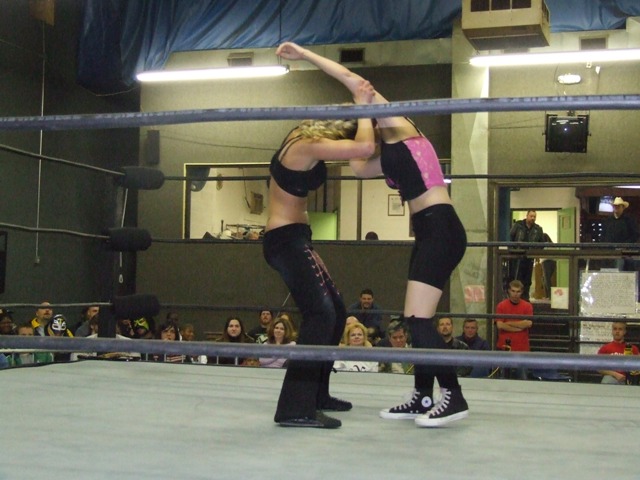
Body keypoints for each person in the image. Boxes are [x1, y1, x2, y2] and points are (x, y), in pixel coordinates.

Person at [275, 41, 469, 426]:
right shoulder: (389, 152)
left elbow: (352, 78)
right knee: (415, 318)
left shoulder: (401, 126)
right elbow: (360, 167)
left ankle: (454, 395)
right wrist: (359, 129)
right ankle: (422, 396)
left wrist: (307, 56)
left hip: (441, 227)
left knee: (418, 320)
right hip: (428, 231)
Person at [262, 59, 375, 428]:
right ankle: (294, 408)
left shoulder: (305, 134)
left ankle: (316, 394)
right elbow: (363, 148)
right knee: (320, 315)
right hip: (284, 240)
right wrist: (364, 109)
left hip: (297, 237)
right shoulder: (306, 144)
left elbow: (360, 155)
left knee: (337, 311)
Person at [496, 280, 533, 380]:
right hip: (504, 347)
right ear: (508, 291)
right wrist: (519, 327)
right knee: (503, 379)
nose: (515, 294)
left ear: (522, 292)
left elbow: (528, 324)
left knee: (523, 379)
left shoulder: (527, 306)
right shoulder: (501, 305)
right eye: (513, 291)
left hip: (522, 348)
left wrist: (508, 323)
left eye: (518, 291)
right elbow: (500, 325)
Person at [509, 210, 545, 300]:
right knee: (516, 277)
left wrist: (536, 253)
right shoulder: (518, 225)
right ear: (527, 216)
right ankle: (515, 298)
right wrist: (512, 251)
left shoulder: (538, 229)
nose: (533, 218)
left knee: (527, 280)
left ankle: (525, 298)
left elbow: (542, 244)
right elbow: (510, 238)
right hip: (517, 257)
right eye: (531, 216)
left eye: (534, 217)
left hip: (529, 258)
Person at [603, 197, 639, 271]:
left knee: (620, 267)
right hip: (609, 252)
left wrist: (625, 245)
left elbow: (635, 235)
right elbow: (604, 235)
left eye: (618, 206)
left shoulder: (629, 220)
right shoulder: (608, 221)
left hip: (624, 252)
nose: (616, 208)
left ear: (623, 208)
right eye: (615, 206)